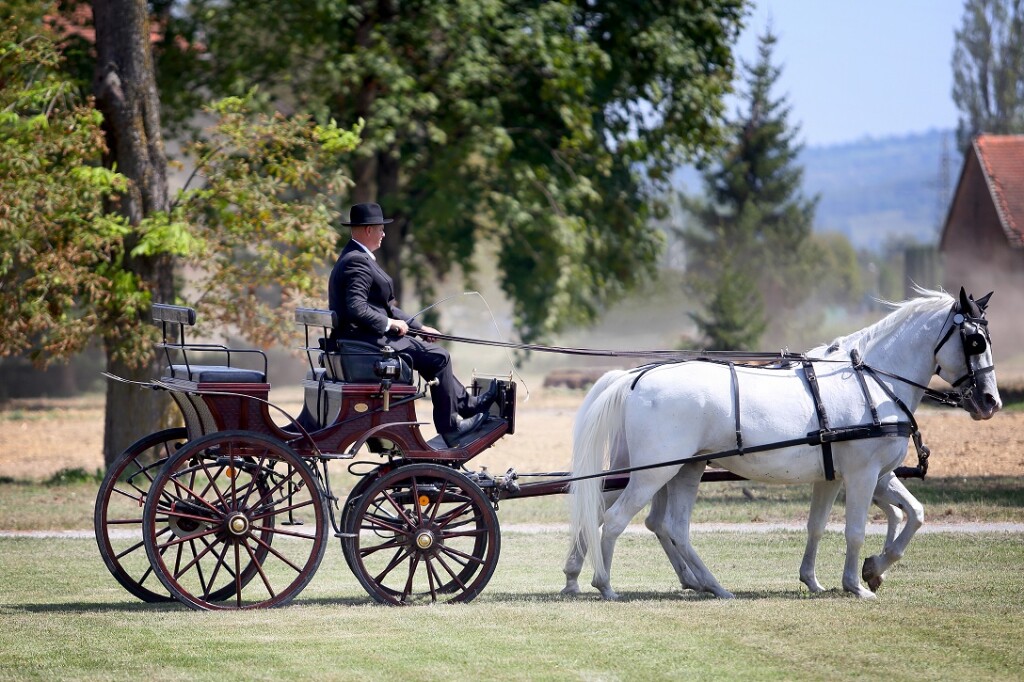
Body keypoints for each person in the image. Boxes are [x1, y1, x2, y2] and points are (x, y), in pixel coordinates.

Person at [328, 202, 498, 446]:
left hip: (364, 341)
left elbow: (383, 307)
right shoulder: (357, 261)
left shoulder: (353, 257)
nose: (384, 234)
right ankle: (452, 427)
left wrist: (418, 328)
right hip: (367, 346)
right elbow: (357, 308)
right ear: (368, 230)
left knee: (434, 355)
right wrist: (389, 324)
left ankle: (469, 406)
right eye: (380, 229)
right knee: (440, 357)